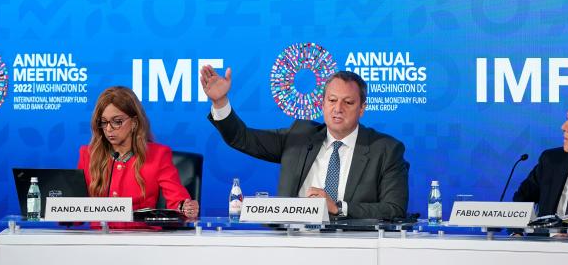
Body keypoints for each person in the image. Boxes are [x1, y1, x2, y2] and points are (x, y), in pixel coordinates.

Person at [201, 66, 408, 220]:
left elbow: (394, 209)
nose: (338, 108)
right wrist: (220, 102)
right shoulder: (298, 136)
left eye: (348, 102)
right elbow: (242, 138)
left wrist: (338, 207)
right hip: (294, 244)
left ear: (362, 108)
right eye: (332, 100)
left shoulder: (386, 150)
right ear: (322, 103)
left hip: (353, 246)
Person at [78, 86, 199, 218]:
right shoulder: (88, 154)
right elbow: (74, 215)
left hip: (142, 235)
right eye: (104, 122)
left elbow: (177, 202)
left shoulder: (158, 155)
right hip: (97, 236)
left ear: (134, 122)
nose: (108, 129)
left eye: (117, 122)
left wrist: (185, 207)